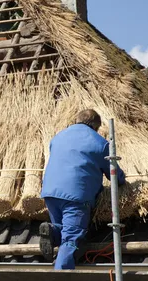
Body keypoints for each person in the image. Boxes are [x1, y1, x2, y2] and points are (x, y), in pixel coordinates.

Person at [39, 109, 126, 270]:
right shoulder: (100, 143)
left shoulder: (58, 137)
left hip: (50, 191)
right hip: (76, 195)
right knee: (71, 239)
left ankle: (52, 230)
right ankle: (61, 275)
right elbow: (113, 173)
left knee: (62, 226)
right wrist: (122, 180)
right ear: (96, 127)